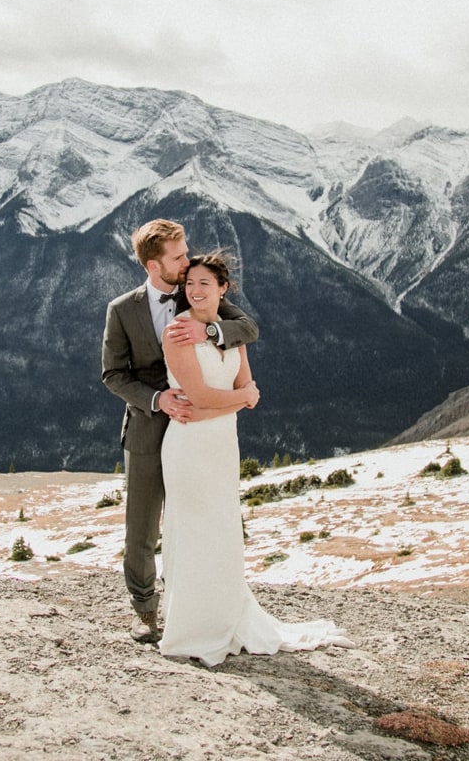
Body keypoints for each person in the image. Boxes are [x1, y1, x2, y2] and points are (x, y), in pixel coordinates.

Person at [157, 252, 352, 666]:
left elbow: (245, 388)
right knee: (193, 531)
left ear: (223, 289)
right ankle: (192, 627)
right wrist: (238, 399)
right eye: (189, 284)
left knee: (223, 531)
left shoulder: (232, 334)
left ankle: (224, 615)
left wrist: (234, 399)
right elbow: (209, 397)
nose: (194, 290)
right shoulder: (177, 332)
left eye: (204, 283)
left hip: (221, 445)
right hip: (189, 447)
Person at [101, 219, 259, 643]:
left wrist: (210, 329)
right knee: (142, 527)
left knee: (194, 522)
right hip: (148, 429)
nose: (187, 261)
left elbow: (248, 328)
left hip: (199, 432)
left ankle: (189, 606)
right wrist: (157, 400)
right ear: (154, 266)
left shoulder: (199, 295)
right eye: (178, 256)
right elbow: (113, 374)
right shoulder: (122, 309)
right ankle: (145, 611)